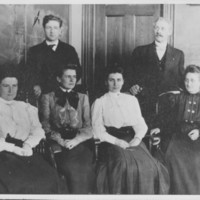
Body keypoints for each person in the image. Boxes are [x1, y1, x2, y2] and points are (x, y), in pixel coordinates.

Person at [91, 66, 169, 194]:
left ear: (123, 81)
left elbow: (140, 124)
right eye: (111, 80)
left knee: (149, 165)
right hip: (111, 141)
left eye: (118, 80)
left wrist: (137, 138)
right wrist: (117, 141)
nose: (115, 84)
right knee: (123, 165)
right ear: (106, 82)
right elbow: (97, 130)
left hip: (132, 139)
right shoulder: (100, 102)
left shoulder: (131, 100)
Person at [0, 63, 68, 194]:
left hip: (27, 152)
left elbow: (38, 131)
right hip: (3, 154)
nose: (10, 90)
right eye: (6, 86)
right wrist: (13, 148)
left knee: (50, 178)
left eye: (14, 86)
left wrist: (27, 145)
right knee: (20, 182)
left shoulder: (26, 107)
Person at [40, 64, 95, 194]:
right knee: (70, 167)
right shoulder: (47, 97)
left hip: (80, 142)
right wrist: (60, 141)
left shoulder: (83, 97)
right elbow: (45, 125)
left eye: (74, 77)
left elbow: (88, 125)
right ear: (59, 79)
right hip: (58, 144)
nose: (72, 80)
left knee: (86, 167)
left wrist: (77, 140)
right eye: (68, 76)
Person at [151, 65, 200, 194]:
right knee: (173, 157)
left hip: (197, 139)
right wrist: (159, 128)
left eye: (193, 80)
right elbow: (168, 119)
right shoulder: (178, 98)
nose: (188, 84)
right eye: (186, 80)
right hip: (178, 136)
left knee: (196, 159)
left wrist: (199, 132)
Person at [126, 17, 185, 125]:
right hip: (145, 102)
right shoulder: (140, 51)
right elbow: (130, 75)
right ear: (153, 30)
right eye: (157, 28)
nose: (159, 31)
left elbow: (181, 80)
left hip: (169, 105)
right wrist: (132, 86)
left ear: (169, 32)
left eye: (163, 28)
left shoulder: (178, 54)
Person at [27, 14, 81, 98]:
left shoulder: (69, 50)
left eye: (55, 28)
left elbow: (78, 72)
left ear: (60, 30)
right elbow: (29, 74)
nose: (52, 31)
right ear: (44, 29)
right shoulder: (34, 51)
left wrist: (67, 86)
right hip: (42, 94)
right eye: (49, 27)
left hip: (64, 94)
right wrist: (35, 85)